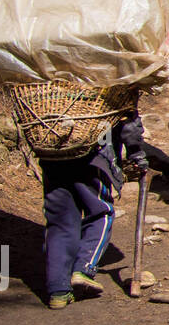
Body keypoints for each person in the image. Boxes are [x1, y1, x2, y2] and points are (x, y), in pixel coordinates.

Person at [41, 110, 147, 309]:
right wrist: (137, 154)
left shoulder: (47, 91)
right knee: (101, 212)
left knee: (60, 223)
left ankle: (58, 291)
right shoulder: (108, 86)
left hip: (52, 157)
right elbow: (128, 124)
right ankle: (84, 268)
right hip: (93, 157)